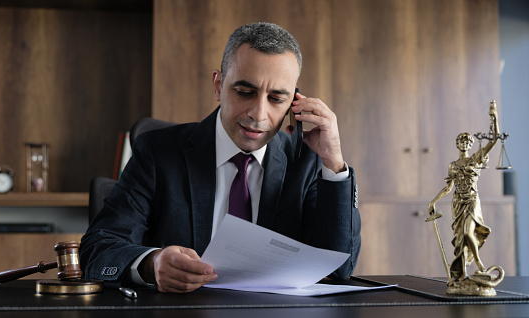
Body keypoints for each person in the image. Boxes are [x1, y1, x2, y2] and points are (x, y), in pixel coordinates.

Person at [80, 22, 361, 293]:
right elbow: (99, 248)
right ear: (218, 86)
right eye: (244, 92)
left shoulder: (307, 161)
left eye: (276, 99)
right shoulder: (156, 151)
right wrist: (151, 264)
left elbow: (339, 268)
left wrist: (334, 163)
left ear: (294, 103)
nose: (258, 114)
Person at [428, 101, 499, 285]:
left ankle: (479, 264)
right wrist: (433, 202)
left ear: (471, 144)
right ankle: (462, 276)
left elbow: (494, 139)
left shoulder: (475, 159)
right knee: (460, 241)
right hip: (457, 203)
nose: (464, 143)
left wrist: (494, 118)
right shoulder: (453, 165)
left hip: (472, 201)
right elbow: (448, 187)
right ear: (456, 144)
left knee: (468, 234)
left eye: (467, 141)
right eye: (461, 140)